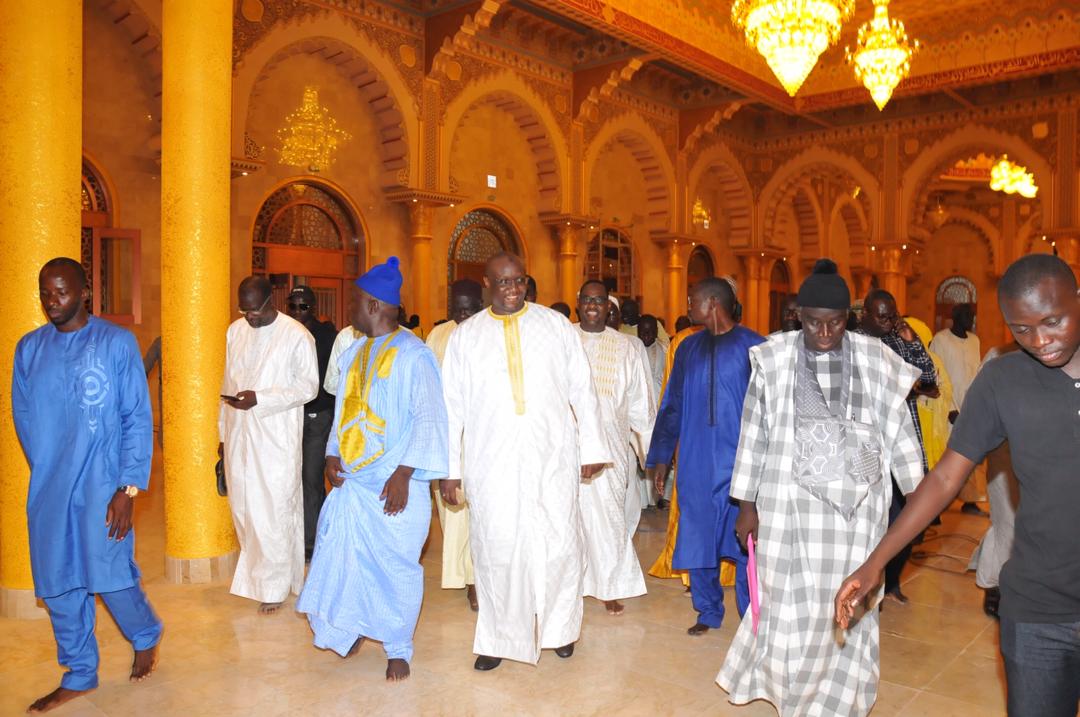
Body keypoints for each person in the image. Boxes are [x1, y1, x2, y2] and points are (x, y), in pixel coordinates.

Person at [837, 254, 1080, 717]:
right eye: (1021, 329)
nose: (1041, 340)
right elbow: (947, 476)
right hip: (1037, 609)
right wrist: (877, 563)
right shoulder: (1003, 379)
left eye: (1053, 321)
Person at [718, 259, 924, 716]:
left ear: (848, 320)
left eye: (835, 323)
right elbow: (753, 433)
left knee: (851, 605)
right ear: (797, 315)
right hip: (789, 511)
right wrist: (746, 505)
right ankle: (794, 699)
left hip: (858, 519)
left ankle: (842, 701)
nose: (825, 332)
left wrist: (919, 496)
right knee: (792, 609)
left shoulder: (879, 362)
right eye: (814, 323)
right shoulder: (772, 359)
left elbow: (900, 432)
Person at [441, 252, 609, 670]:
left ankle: (560, 629)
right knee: (496, 547)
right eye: (503, 282)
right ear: (487, 284)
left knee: (558, 544)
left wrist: (591, 447)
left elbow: (582, 390)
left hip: (551, 453)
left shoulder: (554, 327)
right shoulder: (467, 337)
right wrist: (450, 469)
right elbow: (451, 409)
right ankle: (498, 638)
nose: (513, 289)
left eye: (519, 281)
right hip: (490, 461)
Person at [12, 258, 162, 713]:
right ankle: (79, 672)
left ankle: (145, 633)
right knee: (58, 583)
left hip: (105, 486)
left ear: (84, 292)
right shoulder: (29, 349)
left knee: (111, 575)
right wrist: (50, 467)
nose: (51, 300)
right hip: (51, 489)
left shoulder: (116, 343)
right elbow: (23, 417)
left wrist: (127, 488)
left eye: (60, 291)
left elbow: (137, 417)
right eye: (45, 292)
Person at [297, 257, 448, 683]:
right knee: (347, 559)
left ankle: (398, 646)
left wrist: (404, 473)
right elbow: (344, 408)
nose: (347, 310)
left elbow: (430, 419)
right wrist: (331, 452)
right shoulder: (356, 351)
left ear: (375, 305)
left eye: (354, 302)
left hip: (394, 484)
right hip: (355, 483)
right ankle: (352, 626)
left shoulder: (415, 356)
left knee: (395, 566)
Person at [645, 277, 764, 635]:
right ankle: (708, 611)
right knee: (697, 541)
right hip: (696, 464)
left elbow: (771, 412)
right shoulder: (686, 348)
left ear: (713, 303)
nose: (687, 306)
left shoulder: (756, 347)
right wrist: (661, 458)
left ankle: (751, 616)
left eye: (692, 300)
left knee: (747, 546)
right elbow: (672, 405)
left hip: (740, 468)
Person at [220, 275, 318, 614]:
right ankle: (256, 577)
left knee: (274, 510)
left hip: (275, 436)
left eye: (256, 311)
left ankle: (275, 587)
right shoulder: (235, 332)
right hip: (238, 435)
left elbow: (309, 388)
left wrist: (260, 399)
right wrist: (222, 437)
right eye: (244, 311)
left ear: (270, 301)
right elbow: (226, 382)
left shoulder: (296, 335)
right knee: (244, 508)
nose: (250, 318)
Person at [574, 280, 653, 615]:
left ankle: (610, 585)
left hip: (611, 447)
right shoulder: (562, 338)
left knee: (608, 517)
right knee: (567, 518)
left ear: (609, 307)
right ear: (578, 304)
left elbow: (641, 405)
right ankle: (570, 583)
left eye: (599, 300)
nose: (593, 305)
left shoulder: (629, 347)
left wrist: (651, 453)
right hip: (566, 445)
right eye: (587, 300)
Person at [857, 288, 938, 603]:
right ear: (865, 313)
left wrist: (909, 338)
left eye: (892, 315)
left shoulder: (895, 341)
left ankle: (891, 581)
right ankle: (868, 583)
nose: (889, 321)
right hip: (866, 450)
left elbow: (929, 376)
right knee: (870, 522)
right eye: (882, 316)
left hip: (900, 446)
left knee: (906, 520)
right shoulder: (851, 342)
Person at [425, 279, 484, 611]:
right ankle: (465, 576)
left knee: (478, 510)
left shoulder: (490, 331)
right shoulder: (438, 335)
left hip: (481, 438)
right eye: (456, 309)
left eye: (469, 308)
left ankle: (477, 577)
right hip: (447, 438)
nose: (462, 315)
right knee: (453, 512)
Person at [966, 341, 1021, 619]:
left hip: (1044, 455)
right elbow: (978, 403)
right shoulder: (998, 357)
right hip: (1004, 455)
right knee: (1006, 522)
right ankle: (993, 585)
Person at [285, 286, 338, 561]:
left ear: (313, 308)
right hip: (288, 417)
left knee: (311, 478)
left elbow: (333, 378)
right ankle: (301, 535)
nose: (297, 311)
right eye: (292, 305)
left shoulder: (327, 334)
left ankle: (313, 541)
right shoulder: (283, 333)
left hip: (317, 416)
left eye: (303, 306)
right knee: (290, 477)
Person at [930, 303, 987, 515]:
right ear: (954, 316)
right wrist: (950, 409)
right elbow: (936, 374)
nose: (970, 319)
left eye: (972, 315)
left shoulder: (975, 341)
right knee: (947, 456)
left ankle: (970, 501)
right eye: (966, 315)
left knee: (972, 454)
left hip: (970, 406)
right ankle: (940, 501)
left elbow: (977, 373)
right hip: (948, 409)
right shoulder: (941, 339)